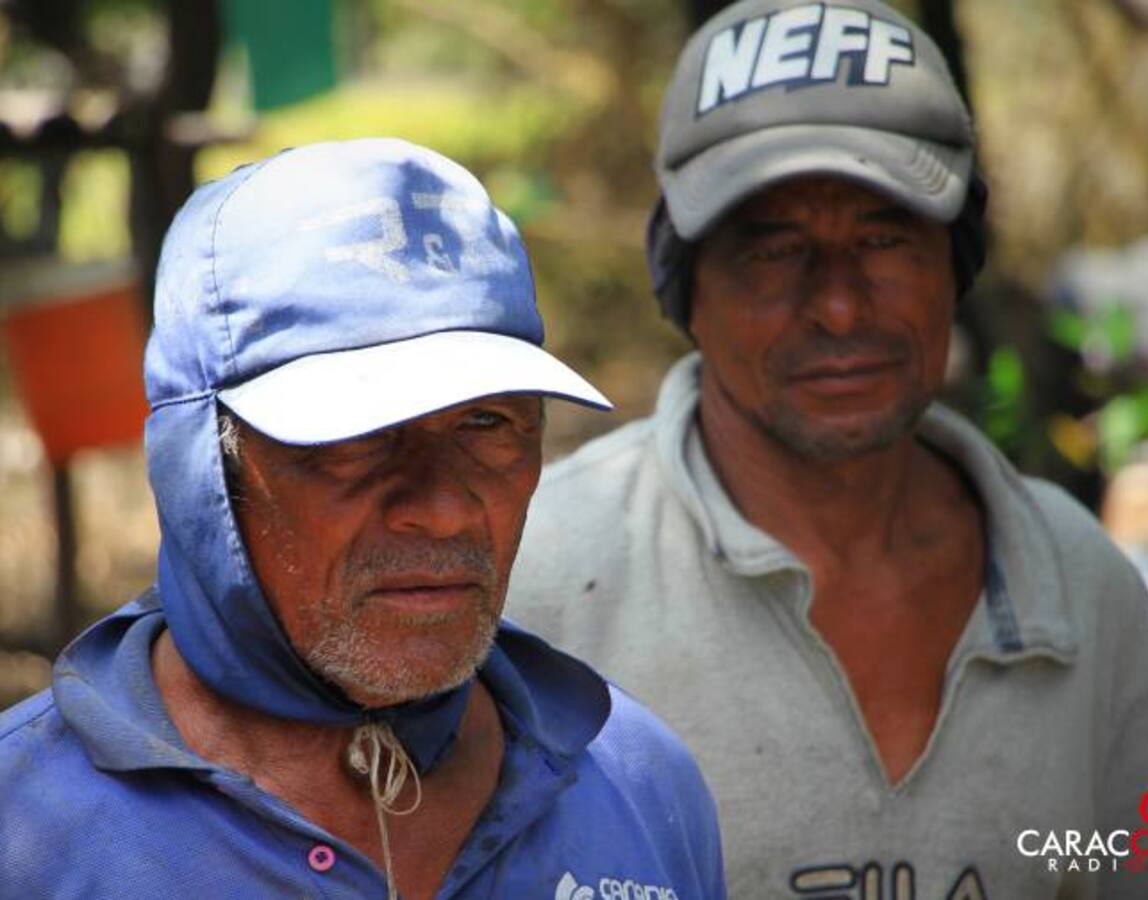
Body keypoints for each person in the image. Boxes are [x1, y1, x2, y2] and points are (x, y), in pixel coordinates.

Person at [506, 1, 1148, 897]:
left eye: (883, 237)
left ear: (958, 263)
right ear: (686, 287)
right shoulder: (544, 586)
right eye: (773, 249)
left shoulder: (1080, 587)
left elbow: (1122, 867)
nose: (837, 305)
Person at [0, 139, 725, 900]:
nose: (443, 512)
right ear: (201, 468)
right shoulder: (28, 834)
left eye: (485, 424)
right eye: (355, 440)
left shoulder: (638, 786)